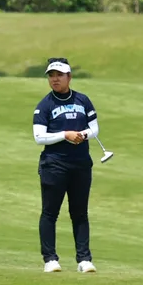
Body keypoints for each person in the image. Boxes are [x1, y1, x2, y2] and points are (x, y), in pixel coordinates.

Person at [33, 57, 99, 273]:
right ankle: (50, 259)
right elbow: (39, 137)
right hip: (54, 165)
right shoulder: (44, 105)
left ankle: (84, 260)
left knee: (80, 213)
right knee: (50, 213)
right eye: (51, 75)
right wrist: (65, 135)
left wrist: (82, 135)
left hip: (81, 165)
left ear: (69, 77)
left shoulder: (83, 100)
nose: (55, 79)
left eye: (59, 75)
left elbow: (94, 129)